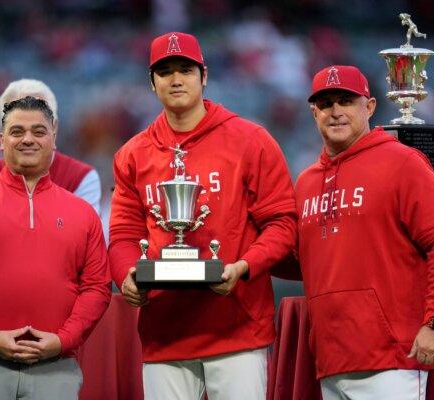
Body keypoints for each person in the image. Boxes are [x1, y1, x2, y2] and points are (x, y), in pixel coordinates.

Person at [108, 32, 297, 400]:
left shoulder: (250, 140)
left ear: (204, 75)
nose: (176, 79)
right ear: (152, 83)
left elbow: (282, 224)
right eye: (165, 72)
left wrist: (244, 265)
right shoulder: (133, 154)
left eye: (185, 70)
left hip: (238, 328)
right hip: (165, 332)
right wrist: (127, 275)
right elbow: (123, 235)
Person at [295, 65, 434, 399]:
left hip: (392, 358)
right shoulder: (305, 182)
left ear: (369, 107)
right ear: (314, 112)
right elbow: (298, 260)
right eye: (326, 103)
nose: (336, 111)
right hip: (332, 357)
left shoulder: (403, 163)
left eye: (345, 101)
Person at [0, 97, 111, 400]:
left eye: (38, 131)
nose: (27, 139)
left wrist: (63, 340)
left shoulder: (82, 212)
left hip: (56, 366)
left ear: (54, 138)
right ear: (1, 141)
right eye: (17, 131)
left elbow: (97, 287)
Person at [0, 79, 102, 215]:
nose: (28, 139)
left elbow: (83, 234)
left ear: (54, 128)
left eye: (38, 127)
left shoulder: (81, 178)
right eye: (17, 127)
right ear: (2, 133)